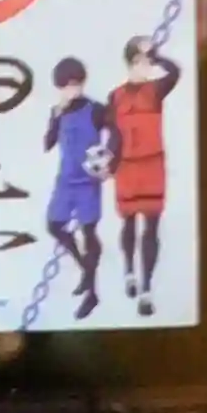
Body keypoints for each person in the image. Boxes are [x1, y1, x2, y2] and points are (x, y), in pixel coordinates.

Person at [108, 37, 180, 318]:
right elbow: (112, 135)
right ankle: (129, 272)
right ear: (129, 63)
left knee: (151, 228)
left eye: (147, 62)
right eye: (139, 61)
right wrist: (108, 162)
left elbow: (175, 72)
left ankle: (146, 289)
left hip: (152, 166)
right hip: (126, 167)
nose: (144, 66)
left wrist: (157, 55)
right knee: (128, 222)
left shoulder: (156, 90)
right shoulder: (115, 97)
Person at [44, 57, 116, 322]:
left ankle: (92, 293)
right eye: (65, 85)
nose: (71, 90)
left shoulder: (95, 109)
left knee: (88, 232)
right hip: (65, 180)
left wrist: (110, 162)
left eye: (75, 84)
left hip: (88, 182)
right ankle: (85, 267)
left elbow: (118, 132)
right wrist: (55, 118)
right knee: (54, 225)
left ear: (82, 83)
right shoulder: (59, 111)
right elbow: (47, 144)